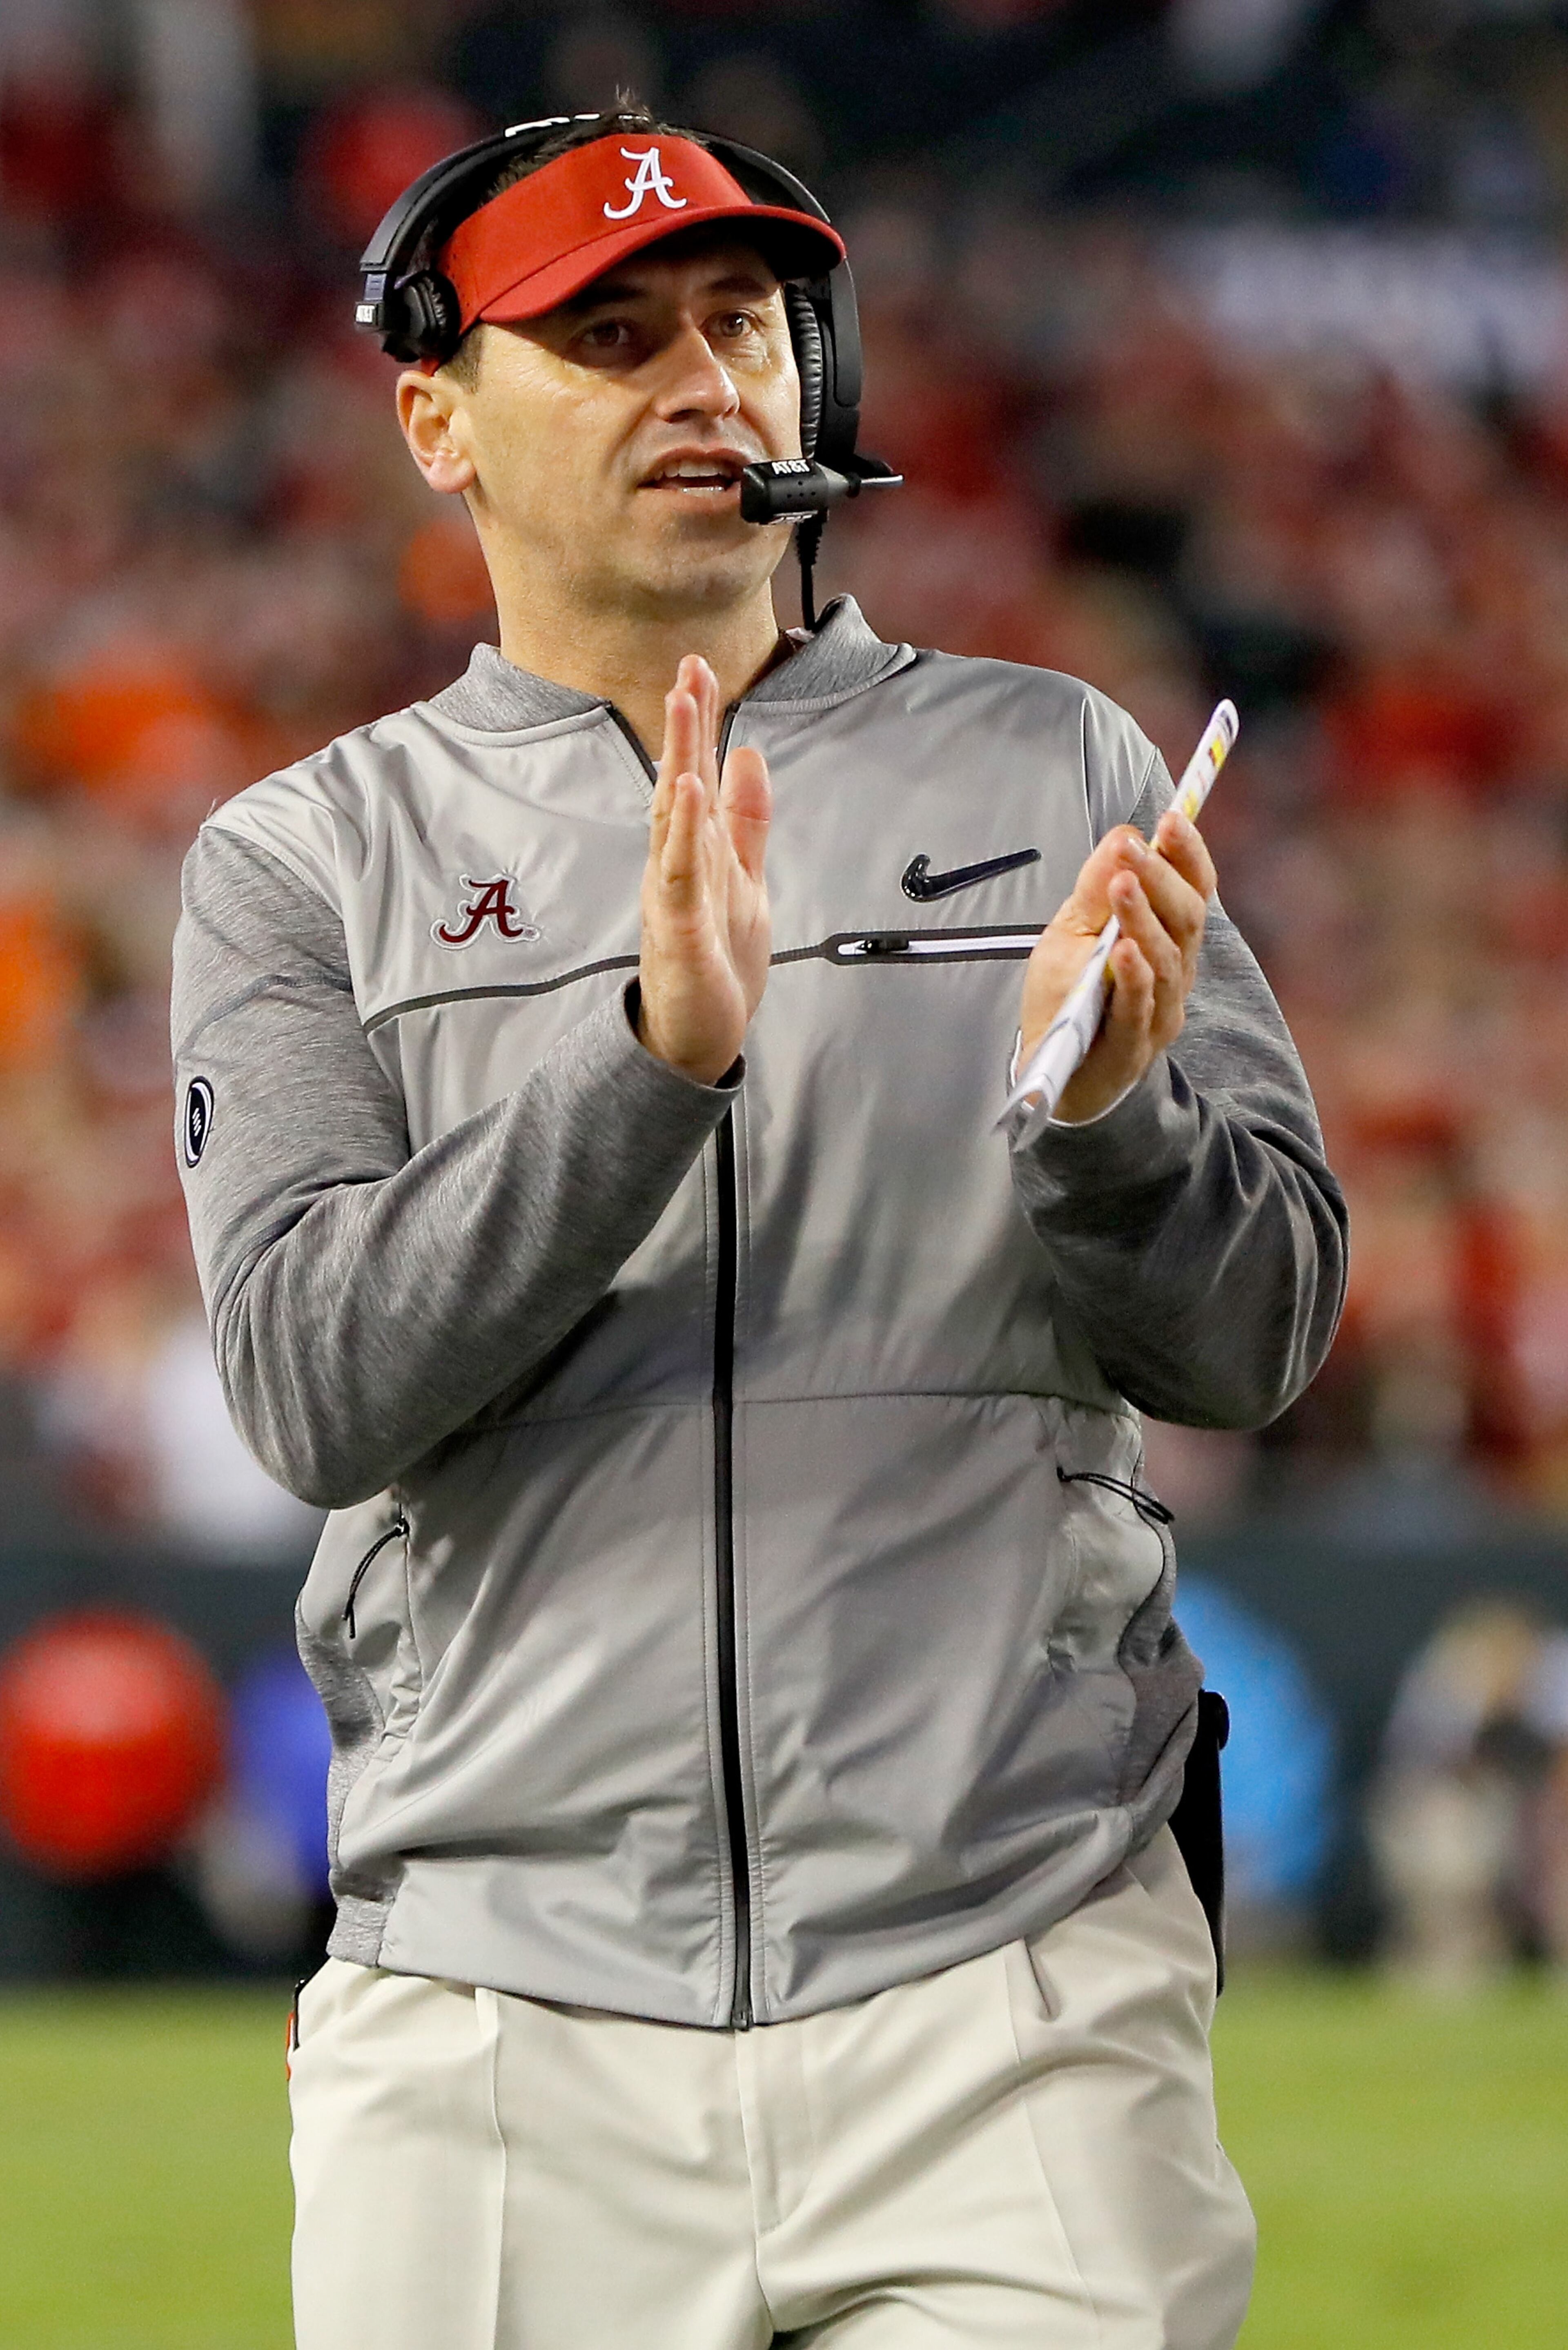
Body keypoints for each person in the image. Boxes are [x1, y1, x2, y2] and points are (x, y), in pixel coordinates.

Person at [172, 106, 1347, 2350]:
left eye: (740, 321)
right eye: (607, 335)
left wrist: (1108, 1129)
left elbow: (1262, 1334)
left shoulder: (1057, 767)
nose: (702, 376)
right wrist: (643, 1062)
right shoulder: (301, 856)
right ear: (439, 418)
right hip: (503, 2006)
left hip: (1009, 1976)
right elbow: (316, 1387)